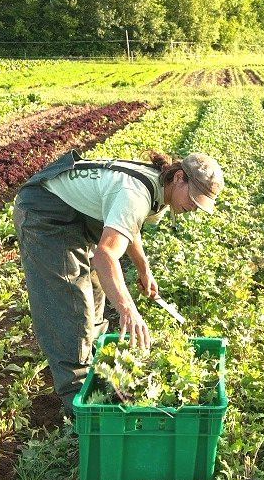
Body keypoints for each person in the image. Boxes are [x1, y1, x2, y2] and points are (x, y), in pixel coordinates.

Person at [13, 149, 224, 416]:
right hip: (45, 214)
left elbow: (129, 225)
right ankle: (80, 409)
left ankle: (97, 369)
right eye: (194, 199)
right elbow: (106, 254)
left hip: (73, 218)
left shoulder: (160, 188)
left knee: (98, 292)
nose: (194, 207)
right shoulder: (136, 194)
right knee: (71, 308)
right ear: (179, 178)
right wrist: (128, 309)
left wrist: (143, 268)